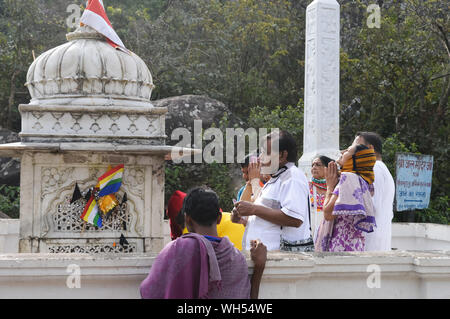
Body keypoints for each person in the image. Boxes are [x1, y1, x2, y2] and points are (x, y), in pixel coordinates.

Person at [140, 187, 267, 299]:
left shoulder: (177, 250)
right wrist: (259, 266)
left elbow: (149, 291)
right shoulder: (236, 258)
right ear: (219, 218)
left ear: (187, 219)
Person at [232, 130, 312, 252]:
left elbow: (295, 219)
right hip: (265, 258)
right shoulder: (275, 179)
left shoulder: (292, 177)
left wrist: (253, 209)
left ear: (282, 155)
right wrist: (244, 218)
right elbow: (268, 217)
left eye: (266, 152)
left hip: (281, 260)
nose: (260, 157)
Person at [315, 144, 377, 252]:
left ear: (356, 159)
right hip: (354, 244)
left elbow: (328, 214)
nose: (342, 152)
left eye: (347, 151)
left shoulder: (348, 178)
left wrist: (329, 187)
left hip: (340, 244)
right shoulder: (362, 180)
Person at [354, 132, 395, 251]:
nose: (353, 151)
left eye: (357, 146)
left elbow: (372, 206)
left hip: (371, 241)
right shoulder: (380, 168)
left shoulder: (374, 168)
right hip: (377, 239)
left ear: (370, 148)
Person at [309, 156, 334, 240]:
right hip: (310, 231)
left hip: (329, 230)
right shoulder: (306, 186)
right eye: (312, 165)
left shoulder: (334, 187)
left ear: (327, 168)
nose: (314, 167)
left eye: (318, 165)